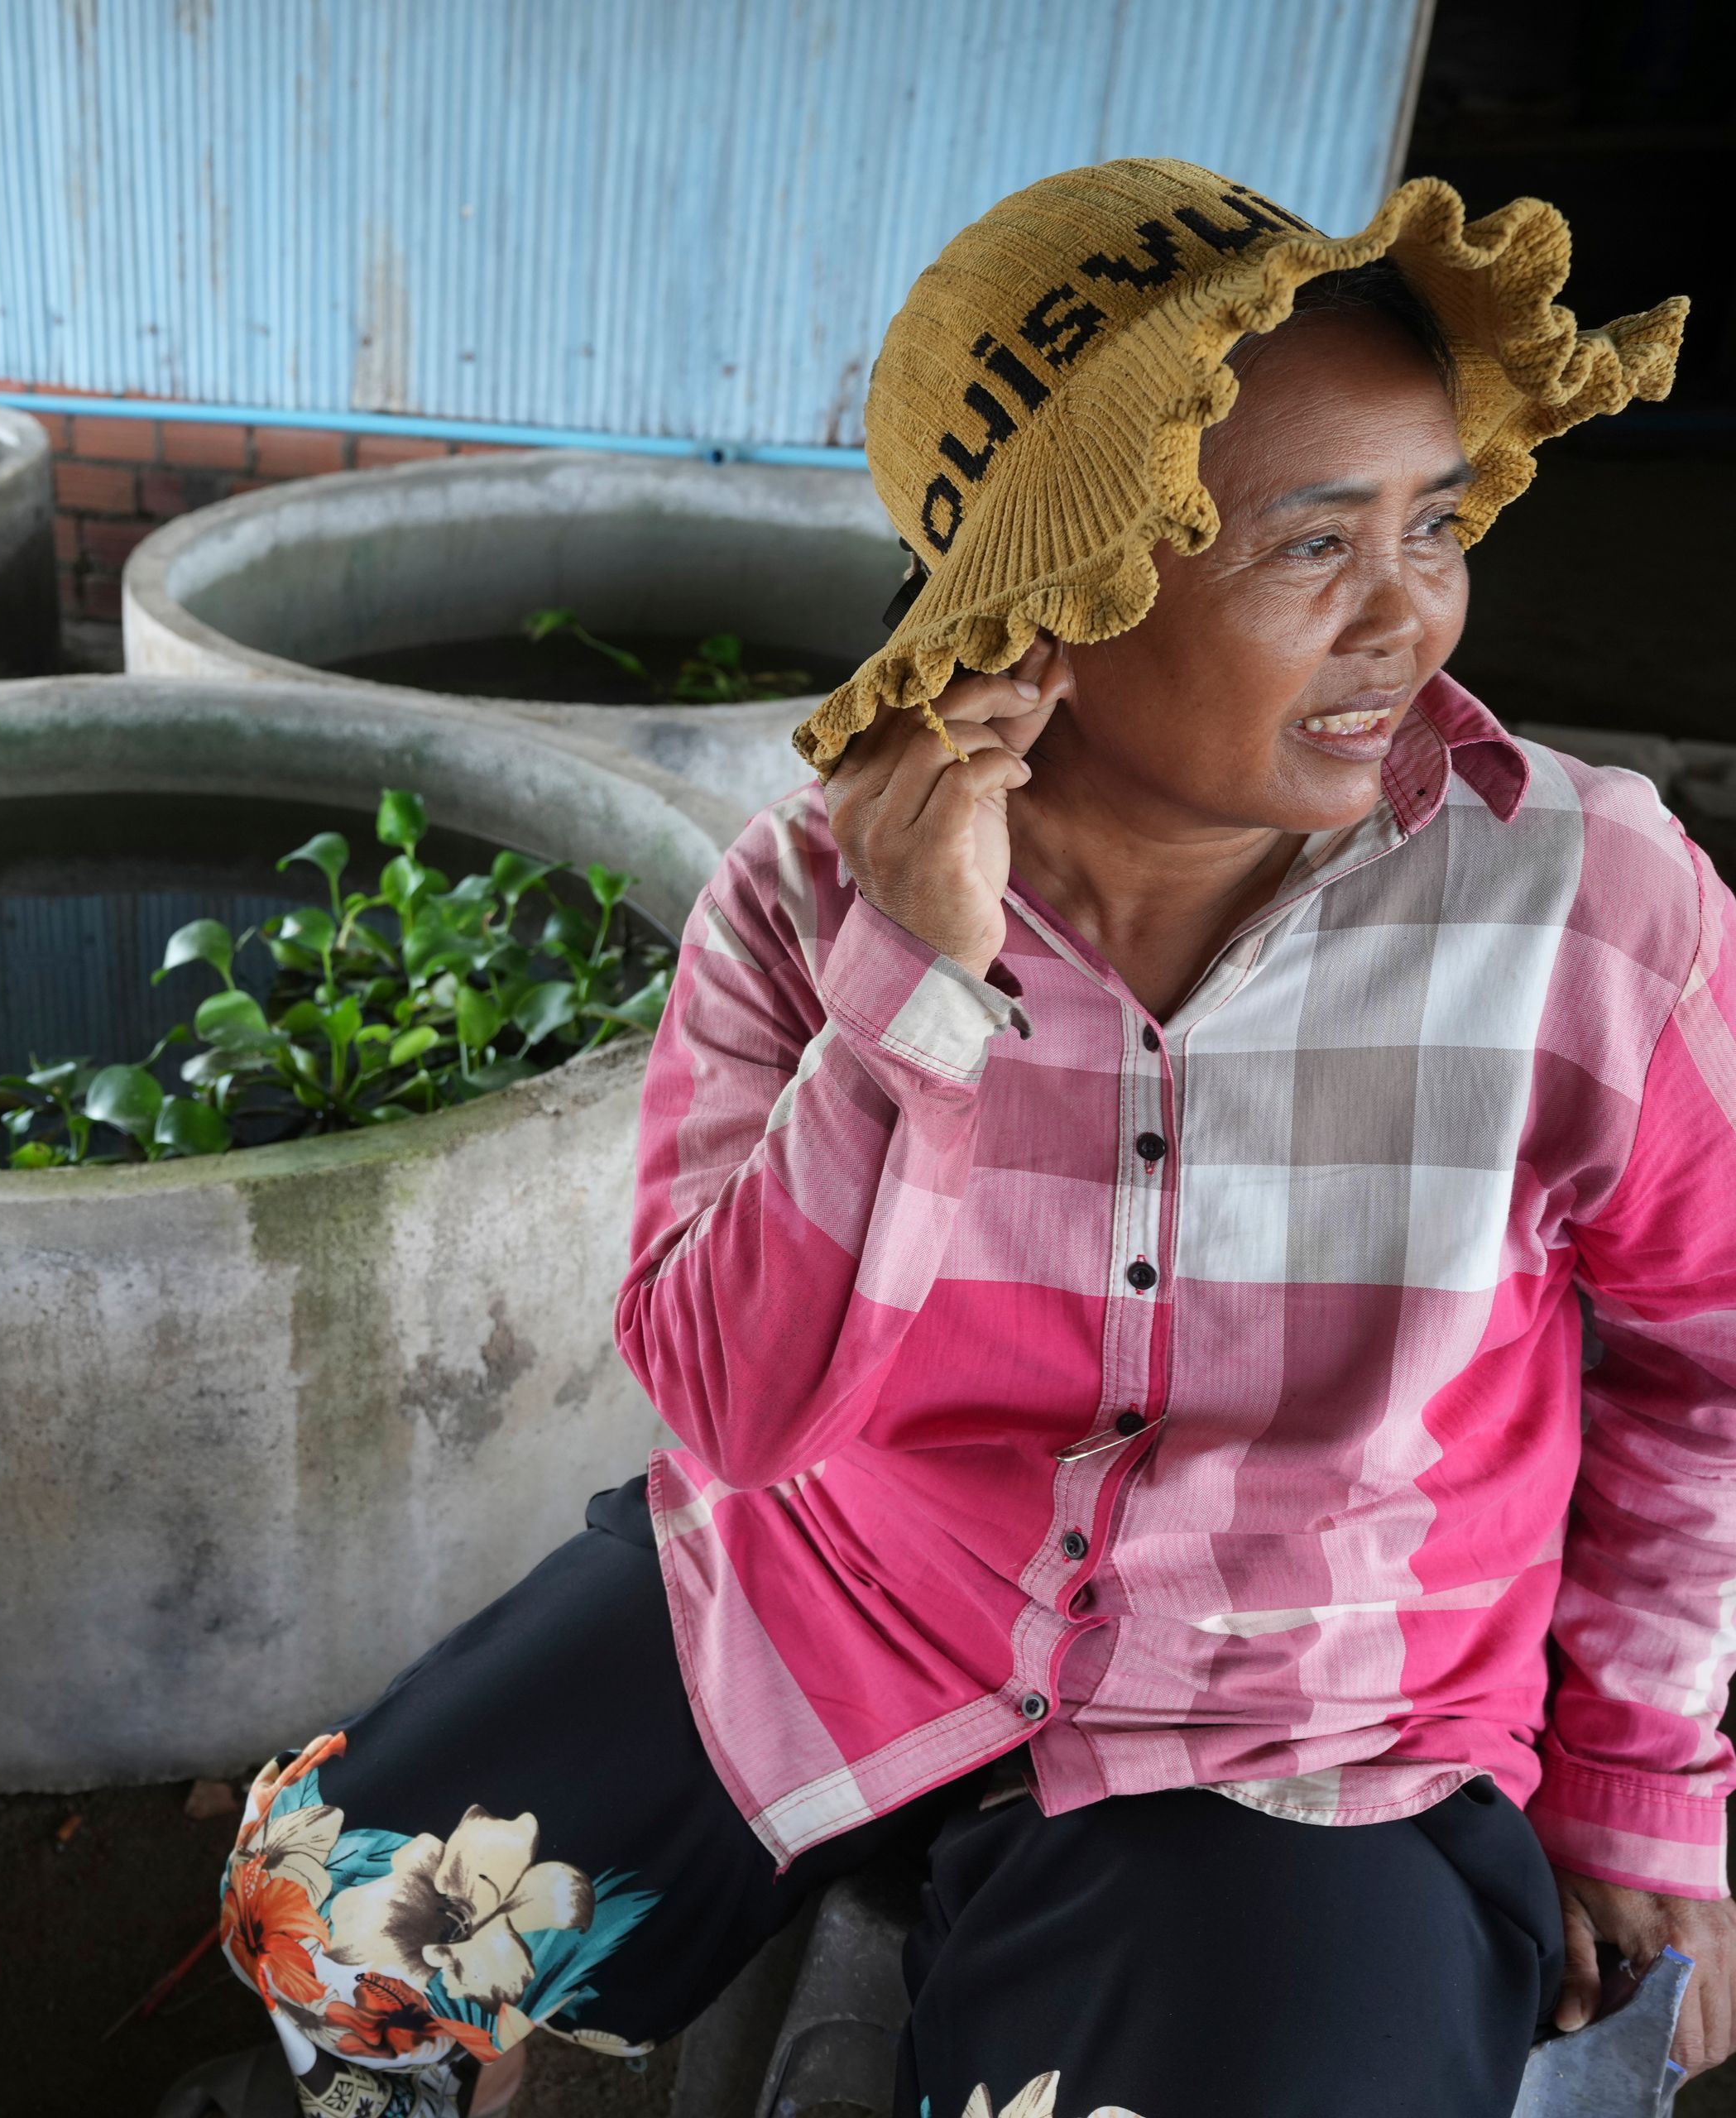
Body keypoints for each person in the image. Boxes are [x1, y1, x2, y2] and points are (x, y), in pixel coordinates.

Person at [161, 157, 1706, 2117]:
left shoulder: (1593, 909)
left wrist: (1643, 1782)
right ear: (1062, 603)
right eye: (1314, 548)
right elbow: (730, 1412)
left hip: (1298, 1716)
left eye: (1439, 521)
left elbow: (1705, 1363)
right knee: (331, 1910)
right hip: (837, 1597)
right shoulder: (809, 896)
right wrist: (918, 989)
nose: (1413, 617)